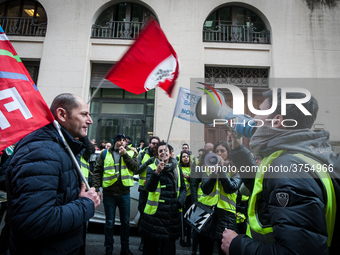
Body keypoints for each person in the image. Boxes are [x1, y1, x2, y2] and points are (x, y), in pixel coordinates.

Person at [221, 89, 339, 255]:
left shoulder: (289, 168)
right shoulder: (306, 156)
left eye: (260, 112)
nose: (253, 119)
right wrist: (237, 145)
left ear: (277, 121)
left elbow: (297, 252)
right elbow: (264, 187)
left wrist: (237, 245)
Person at [5, 93, 101, 255]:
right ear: (62, 114)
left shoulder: (64, 147)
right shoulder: (41, 152)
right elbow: (34, 222)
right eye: (84, 114)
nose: (90, 120)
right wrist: (86, 205)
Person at [92, 133, 139, 255]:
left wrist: (125, 156)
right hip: (109, 194)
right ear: (114, 142)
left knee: (125, 223)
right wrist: (97, 187)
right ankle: (109, 249)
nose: (122, 142)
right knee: (109, 223)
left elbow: (135, 168)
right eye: (119, 140)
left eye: (123, 140)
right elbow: (97, 171)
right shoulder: (104, 153)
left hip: (124, 193)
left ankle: (125, 249)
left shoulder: (131, 153)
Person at [140, 142, 186, 255]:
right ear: (157, 154)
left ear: (170, 154)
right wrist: (157, 172)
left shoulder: (177, 169)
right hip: (154, 215)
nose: (163, 153)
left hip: (171, 214)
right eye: (160, 151)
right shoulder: (152, 167)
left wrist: (179, 202)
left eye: (165, 151)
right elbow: (149, 187)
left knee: (168, 249)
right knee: (150, 248)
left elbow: (183, 189)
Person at [195, 142, 241, 255]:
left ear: (228, 153)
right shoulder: (207, 168)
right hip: (208, 214)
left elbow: (231, 187)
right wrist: (214, 172)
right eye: (217, 151)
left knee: (224, 250)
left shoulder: (235, 169)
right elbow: (205, 188)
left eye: (222, 151)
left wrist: (221, 170)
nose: (219, 153)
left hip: (226, 215)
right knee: (205, 248)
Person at [136, 136, 160, 251]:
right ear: (149, 144)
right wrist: (147, 163)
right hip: (143, 189)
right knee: (143, 215)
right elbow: (136, 170)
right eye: (153, 143)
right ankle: (143, 241)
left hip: (155, 191)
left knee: (154, 216)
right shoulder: (142, 154)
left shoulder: (161, 155)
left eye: (156, 144)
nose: (154, 146)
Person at [178, 151, 193, 248]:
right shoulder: (178, 168)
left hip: (190, 196)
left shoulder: (193, 169)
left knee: (189, 218)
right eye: (183, 156)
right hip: (181, 195)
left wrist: (189, 177)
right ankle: (182, 237)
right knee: (181, 218)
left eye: (187, 156)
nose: (186, 158)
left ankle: (188, 238)